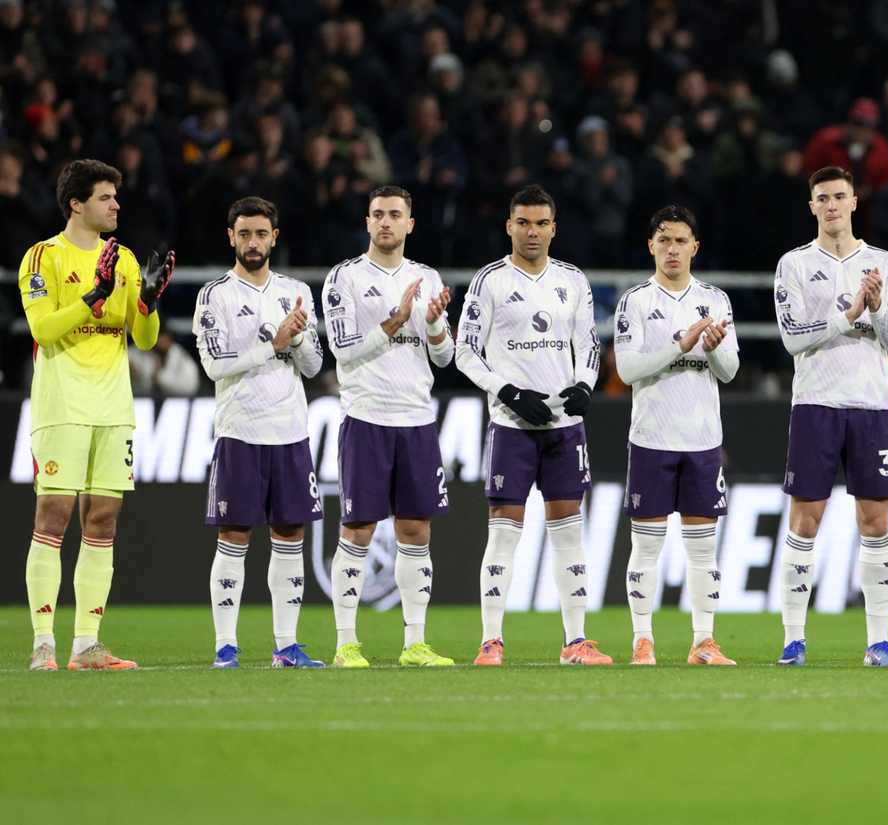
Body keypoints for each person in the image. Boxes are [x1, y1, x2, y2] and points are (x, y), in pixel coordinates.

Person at [19, 158, 172, 674]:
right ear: (76, 204)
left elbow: (144, 341)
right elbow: (43, 328)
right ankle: (44, 642)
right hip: (61, 404)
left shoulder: (123, 259)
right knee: (54, 516)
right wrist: (94, 296)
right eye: (106, 197)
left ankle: (87, 645)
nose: (115, 205)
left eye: (116, 197)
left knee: (102, 521)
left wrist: (147, 302)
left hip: (114, 407)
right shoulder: (43, 258)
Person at [455, 184, 607, 667]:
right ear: (509, 226)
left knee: (568, 533)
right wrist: (508, 393)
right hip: (511, 427)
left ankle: (576, 641)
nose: (532, 232)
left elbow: (590, 346)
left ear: (554, 228)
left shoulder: (572, 280)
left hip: (563, 426)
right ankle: (491, 641)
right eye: (523, 223)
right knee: (503, 534)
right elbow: (464, 352)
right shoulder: (489, 281)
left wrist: (584, 384)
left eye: (541, 223)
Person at [773, 166, 888, 667]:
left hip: (872, 404)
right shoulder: (793, 264)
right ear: (812, 207)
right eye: (822, 198)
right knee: (805, 521)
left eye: (839, 197)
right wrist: (849, 314)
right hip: (816, 403)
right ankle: (794, 639)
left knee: (876, 522)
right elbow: (792, 338)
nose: (831, 205)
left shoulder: (883, 263)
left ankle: (878, 641)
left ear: (855, 202)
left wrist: (876, 310)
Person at [320, 184, 456, 668]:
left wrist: (436, 324)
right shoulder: (345, 278)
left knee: (416, 530)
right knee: (357, 529)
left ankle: (414, 643)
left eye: (395, 214)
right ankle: (345, 643)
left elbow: (444, 357)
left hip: (416, 419)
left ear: (410, 224)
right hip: (367, 417)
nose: (386, 222)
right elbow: (342, 348)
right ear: (367, 221)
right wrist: (395, 320)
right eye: (378, 214)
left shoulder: (426, 276)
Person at [193, 196, 326, 669]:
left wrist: (300, 338)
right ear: (231, 237)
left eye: (261, 234)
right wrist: (275, 344)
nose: (253, 242)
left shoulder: (295, 291)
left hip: (289, 431)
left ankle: (286, 647)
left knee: (290, 537)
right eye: (244, 233)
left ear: (275, 237)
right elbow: (214, 364)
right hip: (240, 432)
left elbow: (313, 366)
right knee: (234, 536)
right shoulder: (215, 295)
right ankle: (225, 647)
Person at [612, 205, 738, 666]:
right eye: (663, 240)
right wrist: (679, 345)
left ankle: (704, 641)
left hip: (703, 439)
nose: (672, 249)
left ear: (695, 248)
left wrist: (714, 348)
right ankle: (642, 640)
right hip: (652, 437)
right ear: (651, 246)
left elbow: (729, 371)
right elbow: (627, 369)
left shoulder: (716, 300)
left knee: (703, 548)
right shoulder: (636, 301)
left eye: (681, 241)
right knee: (646, 545)